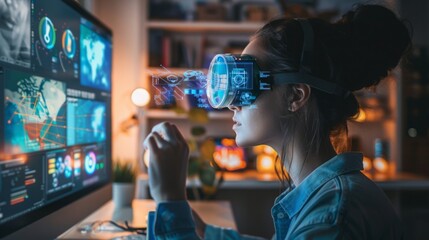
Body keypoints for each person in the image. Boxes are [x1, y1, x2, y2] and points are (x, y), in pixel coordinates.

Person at [143, 4, 411, 240]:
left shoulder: (332, 218)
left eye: (245, 83)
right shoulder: (326, 197)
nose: (234, 103)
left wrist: (171, 200)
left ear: (296, 95)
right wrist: (199, 229)